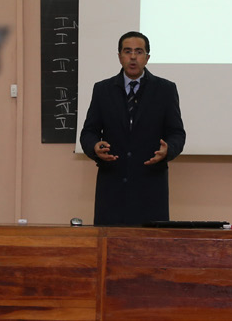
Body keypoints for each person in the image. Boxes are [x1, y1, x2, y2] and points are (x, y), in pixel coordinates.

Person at [79, 31, 186, 225]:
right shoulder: (102, 90)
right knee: (109, 249)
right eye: (128, 51)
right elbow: (89, 132)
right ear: (120, 56)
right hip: (112, 187)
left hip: (150, 187)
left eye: (139, 51)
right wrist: (94, 146)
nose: (133, 57)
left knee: (149, 252)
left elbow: (177, 133)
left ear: (147, 57)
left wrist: (168, 149)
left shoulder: (165, 90)